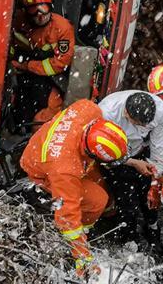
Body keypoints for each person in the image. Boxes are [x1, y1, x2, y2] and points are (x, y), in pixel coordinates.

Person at [20, 99, 128, 278]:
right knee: (98, 200)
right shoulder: (65, 170)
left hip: (48, 149)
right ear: (91, 154)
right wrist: (82, 255)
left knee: (99, 183)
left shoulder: (89, 110)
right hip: (41, 170)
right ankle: (83, 231)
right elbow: (67, 215)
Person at [98, 90, 163, 255]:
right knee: (126, 200)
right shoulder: (107, 113)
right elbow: (102, 153)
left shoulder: (160, 110)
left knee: (149, 197)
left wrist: (154, 180)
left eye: (147, 125)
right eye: (139, 124)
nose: (144, 128)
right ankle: (128, 236)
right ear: (126, 114)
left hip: (140, 153)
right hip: (115, 158)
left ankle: (152, 227)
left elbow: (158, 148)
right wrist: (130, 162)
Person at [10, 0, 75, 130]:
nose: (40, 14)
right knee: (21, 113)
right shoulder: (18, 23)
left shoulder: (62, 28)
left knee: (42, 119)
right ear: (26, 11)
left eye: (44, 8)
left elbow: (60, 64)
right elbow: (10, 46)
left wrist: (26, 65)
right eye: (34, 9)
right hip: (23, 76)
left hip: (50, 79)